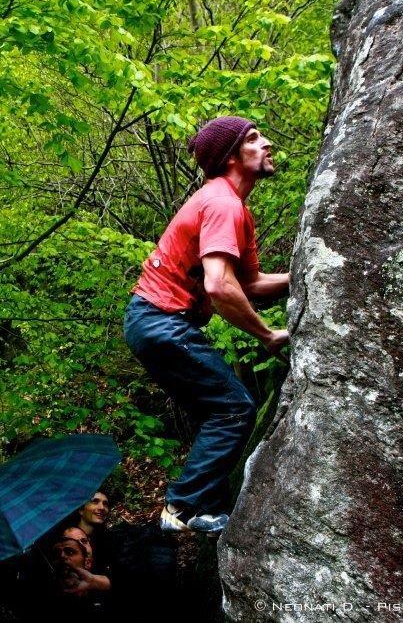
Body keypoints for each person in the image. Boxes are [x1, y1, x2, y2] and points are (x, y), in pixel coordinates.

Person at [123, 115, 290, 534]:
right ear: (231, 157)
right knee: (234, 409)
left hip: (153, 322)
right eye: (253, 139)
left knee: (219, 412)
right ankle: (180, 510)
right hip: (161, 320)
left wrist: (305, 275)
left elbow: (249, 283)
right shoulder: (221, 204)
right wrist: (266, 335)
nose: (266, 143)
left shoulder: (234, 209)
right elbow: (219, 285)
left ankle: (198, 508)